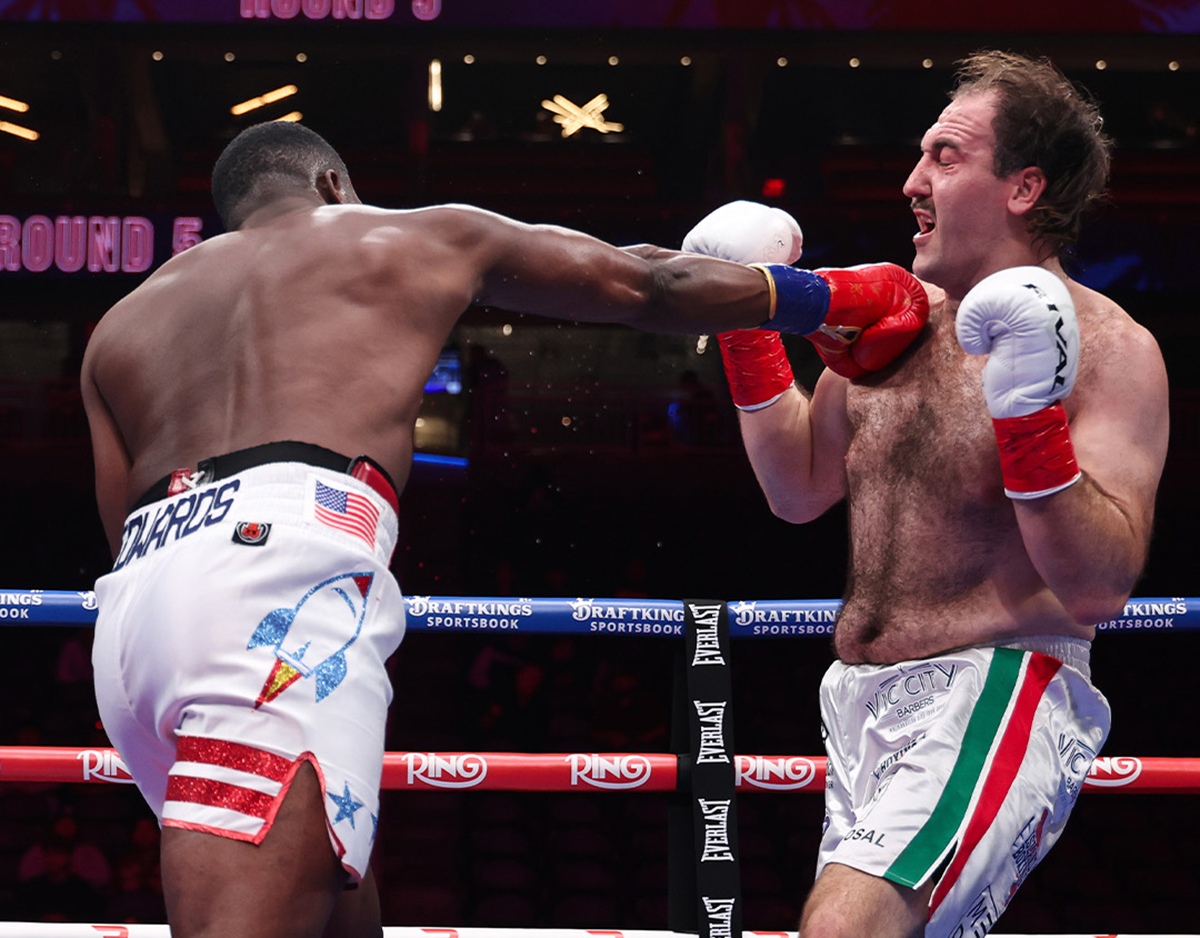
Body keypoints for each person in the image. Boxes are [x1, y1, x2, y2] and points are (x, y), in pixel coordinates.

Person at [80, 120, 927, 938]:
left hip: (135, 626)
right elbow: (648, 287)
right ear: (335, 187)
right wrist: (829, 297)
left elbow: (123, 527)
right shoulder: (395, 236)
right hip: (273, 596)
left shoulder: (122, 323)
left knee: (330, 894)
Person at [686, 51, 1169, 938]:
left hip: (999, 686)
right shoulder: (896, 323)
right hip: (859, 701)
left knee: (845, 930)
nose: (912, 181)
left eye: (945, 157)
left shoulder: (1109, 348)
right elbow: (797, 488)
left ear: (1024, 187)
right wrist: (747, 327)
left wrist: (1028, 415)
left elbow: (1099, 586)